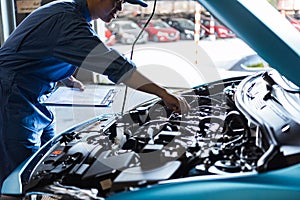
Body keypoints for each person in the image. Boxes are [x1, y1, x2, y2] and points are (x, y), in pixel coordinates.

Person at [0, 0, 190, 191]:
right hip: (13, 97)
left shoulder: (69, 11)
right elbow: (116, 66)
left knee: (46, 159)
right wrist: (163, 93)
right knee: (20, 177)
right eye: (116, 1)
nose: (120, 9)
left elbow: (43, 50)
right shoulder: (67, 21)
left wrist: (68, 79)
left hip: (33, 96)